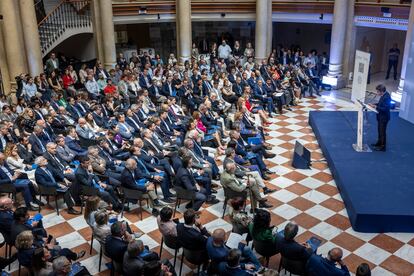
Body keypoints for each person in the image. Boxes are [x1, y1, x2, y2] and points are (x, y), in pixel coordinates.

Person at [369, 84, 391, 151]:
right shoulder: (383, 95)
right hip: (380, 117)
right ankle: (379, 143)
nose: (377, 93)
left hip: (384, 118)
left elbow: (385, 109)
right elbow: (380, 104)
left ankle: (383, 146)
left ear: (381, 91)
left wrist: (376, 107)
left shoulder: (387, 97)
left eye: (378, 92)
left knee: (382, 132)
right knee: (379, 131)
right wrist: (374, 104)